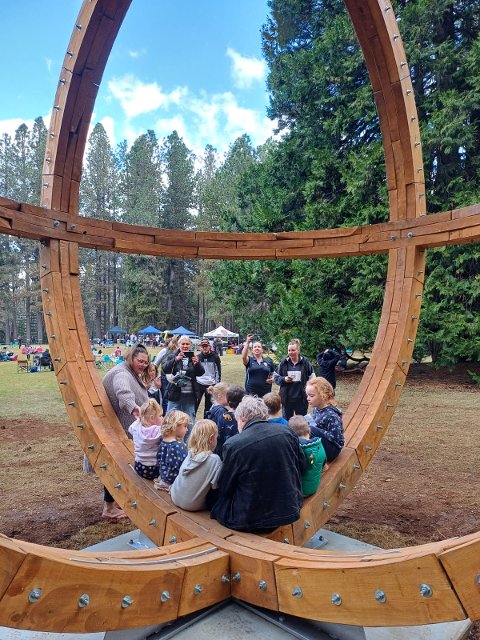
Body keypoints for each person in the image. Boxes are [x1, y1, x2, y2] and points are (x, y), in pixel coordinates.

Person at [211, 395, 305, 533]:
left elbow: (225, 485)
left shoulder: (234, 444)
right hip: (289, 508)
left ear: (241, 418)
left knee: (212, 499)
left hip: (250, 518)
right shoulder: (287, 432)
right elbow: (302, 465)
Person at [102, 343, 150, 519]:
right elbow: (123, 391)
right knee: (118, 467)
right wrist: (134, 408)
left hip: (123, 430)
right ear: (131, 358)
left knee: (119, 467)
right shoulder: (121, 373)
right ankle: (109, 508)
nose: (143, 365)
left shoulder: (129, 371)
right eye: (140, 361)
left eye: (146, 362)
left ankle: (114, 503)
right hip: (119, 431)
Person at [170, 419, 223, 511]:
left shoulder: (190, 452)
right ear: (211, 438)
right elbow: (215, 486)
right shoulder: (214, 460)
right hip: (192, 506)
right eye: (216, 437)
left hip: (174, 495)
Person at [162, 335, 205, 434]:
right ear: (178, 345)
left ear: (190, 345)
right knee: (169, 421)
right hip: (175, 394)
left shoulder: (194, 357)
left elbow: (201, 373)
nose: (185, 346)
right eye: (183, 344)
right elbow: (165, 369)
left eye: (187, 344)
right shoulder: (173, 356)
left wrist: (197, 364)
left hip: (190, 396)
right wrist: (176, 359)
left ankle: (186, 447)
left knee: (189, 424)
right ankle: (169, 443)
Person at [274, 339, 315, 420]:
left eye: (293, 350)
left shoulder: (305, 362)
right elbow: (275, 377)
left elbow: (313, 379)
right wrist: (283, 379)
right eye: (289, 350)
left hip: (301, 399)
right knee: (287, 421)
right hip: (287, 399)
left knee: (301, 421)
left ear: (298, 350)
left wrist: (309, 391)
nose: (290, 352)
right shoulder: (283, 363)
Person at [305, 376, 344, 462]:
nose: (308, 398)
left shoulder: (331, 416)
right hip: (321, 444)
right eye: (307, 395)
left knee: (309, 429)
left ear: (323, 395)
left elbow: (337, 440)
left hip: (332, 450)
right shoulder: (317, 409)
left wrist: (316, 430)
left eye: (311, 396)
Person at [288, 415, 326, 496]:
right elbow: (323, 464)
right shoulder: (319, 445)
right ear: (309, 431)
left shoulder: (298, 450)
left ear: (292, 435)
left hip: (300, 491)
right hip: (313, 486)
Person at [128, 398, 163, 480]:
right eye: (160, 416)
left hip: (139, 466)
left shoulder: (136, 426)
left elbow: (130, 429)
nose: (162, 418)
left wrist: (139, 420)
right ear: (152, 418)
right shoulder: (158, 430)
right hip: (153, 469)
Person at [155, 410, 189, 490]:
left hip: (163, 476)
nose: (187, 430)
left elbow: (159, 459)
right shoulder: (178, 446)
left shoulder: (163, 441)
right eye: (185, 426)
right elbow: (184, 464)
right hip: (172, 481)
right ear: (175, 426)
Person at [211, 385, 246, 458]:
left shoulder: (223, 417)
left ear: (228, 401)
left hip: (224, 452)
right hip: (239, 452)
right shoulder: (245, 418)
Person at [196, 339, 222, 418]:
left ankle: (207, 424)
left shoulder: (215, 357)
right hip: (199, 384)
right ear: (200, 347)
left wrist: (216, 385)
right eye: (203, 346)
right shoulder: (197, 357)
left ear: (209, 347)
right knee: (195, 405)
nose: (204, 348)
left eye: (206, 346)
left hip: (211, 385)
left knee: (209, 407)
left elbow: (218, 371)